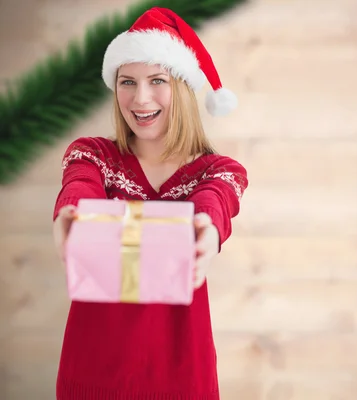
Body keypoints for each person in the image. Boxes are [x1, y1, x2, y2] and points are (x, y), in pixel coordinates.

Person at [51, 7, 248, 400]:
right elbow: (79, 185)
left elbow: (216, 200)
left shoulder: (218, 171)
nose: (140, 98)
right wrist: (69, 217)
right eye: (127, 82)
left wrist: (207, 229)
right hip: (94, 372)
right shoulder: (93, 155)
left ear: (183, 87)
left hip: (180, 375)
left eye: (157, 80)